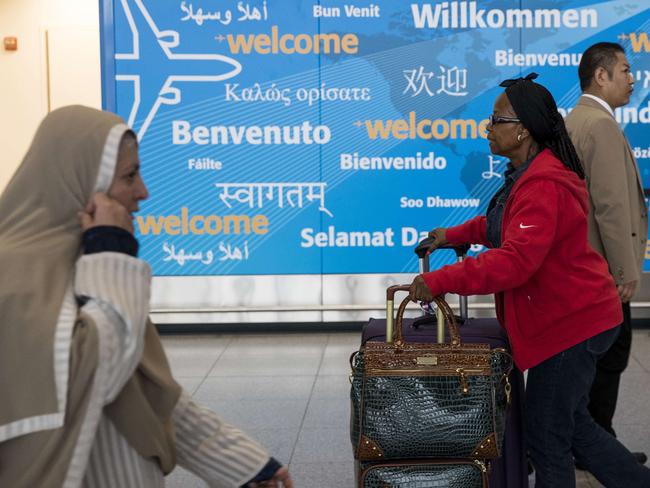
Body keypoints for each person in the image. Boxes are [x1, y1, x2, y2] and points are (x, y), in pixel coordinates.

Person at [0, 106, 293, 488]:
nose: (142, 192)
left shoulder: (88, 264)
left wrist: (245, 465)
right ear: (85, 182)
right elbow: (96, 378)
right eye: (129, 176)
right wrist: (112, 255)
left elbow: (147, 390)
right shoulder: (15, 277)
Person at [408, 74, 650, 487]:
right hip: (579, 317)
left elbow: (516, 261)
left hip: (573, 326)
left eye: (496, 119)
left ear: (522, 129)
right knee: (574, 428)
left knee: (547, 438)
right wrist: (453, 234)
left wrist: (443, 279)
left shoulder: (543, 183)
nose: (488, 127)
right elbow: (503, 225)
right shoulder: (530, 174)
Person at [565, 42, 648, 466]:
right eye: (625, 70)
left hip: (587, 268)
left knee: (593, 361)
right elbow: (611, 206)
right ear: (601, 76)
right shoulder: (599, 124)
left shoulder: (579, 119)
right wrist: (625, 271)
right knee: (610, 358)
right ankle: (598, 449)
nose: (632, 78)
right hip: (604, 272)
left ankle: (598, 444)